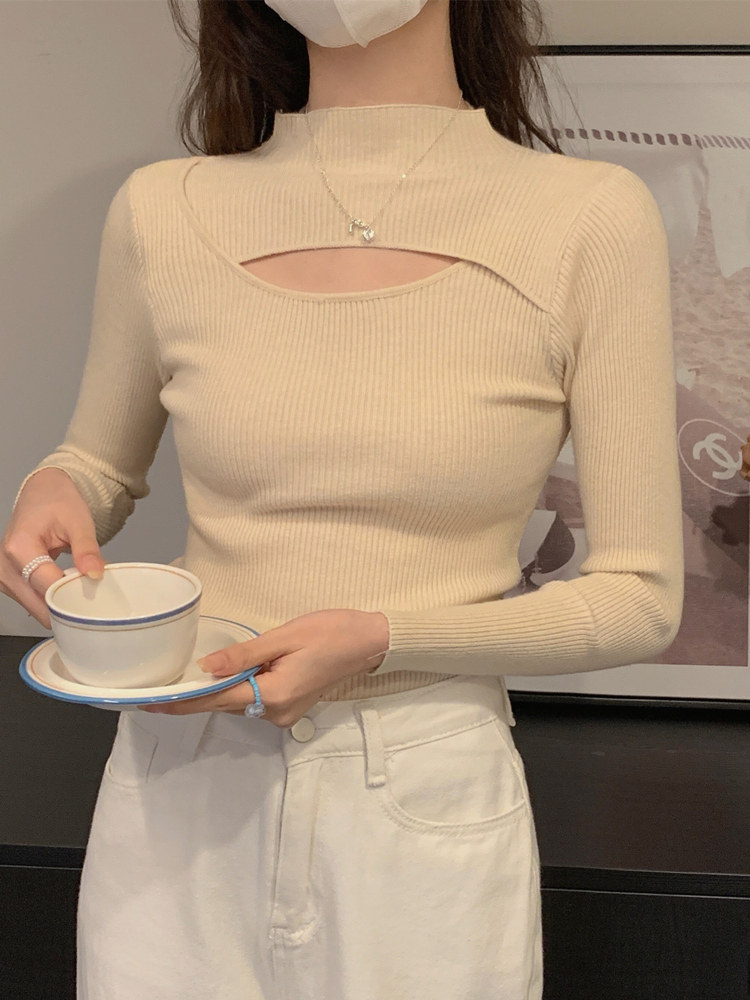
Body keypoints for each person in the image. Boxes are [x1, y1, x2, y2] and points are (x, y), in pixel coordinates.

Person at [0, 1, 684, 997]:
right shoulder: (162, 209)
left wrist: (382, 637)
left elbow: (642, 598)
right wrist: (52, 489)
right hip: (180, 779)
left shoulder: (588, 217)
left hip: (421, 792)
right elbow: (96, 463)